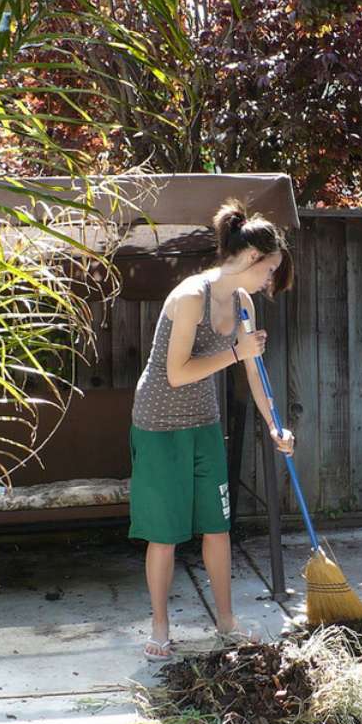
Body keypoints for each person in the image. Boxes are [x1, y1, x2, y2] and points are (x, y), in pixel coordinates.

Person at [129, 199, 295, 661]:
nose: (268, 282)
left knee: (217, 527)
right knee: (164, 535)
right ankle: (161, 629)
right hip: (160, 424)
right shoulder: (189, 297)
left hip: (204, 423)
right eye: (269, 271)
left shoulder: (243, 305)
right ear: (249, 259)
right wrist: (235, 353)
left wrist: (276, 426)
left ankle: (227, 622)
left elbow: (254, 373)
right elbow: (178, 372)